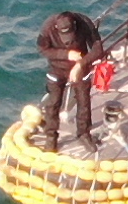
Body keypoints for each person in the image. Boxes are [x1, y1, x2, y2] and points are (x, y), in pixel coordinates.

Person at [36, 10, 105, 145]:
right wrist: (66, 55)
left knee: (84, 101)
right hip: (57, 68)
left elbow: (98, 49)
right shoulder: (47, 28)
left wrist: (80, 64)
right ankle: (51, 137)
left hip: (80, 68)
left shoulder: (84, 23)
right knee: (53, 103)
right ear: (56, 28)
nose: (69, 40)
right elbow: (42, 49)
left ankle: (84, 134)